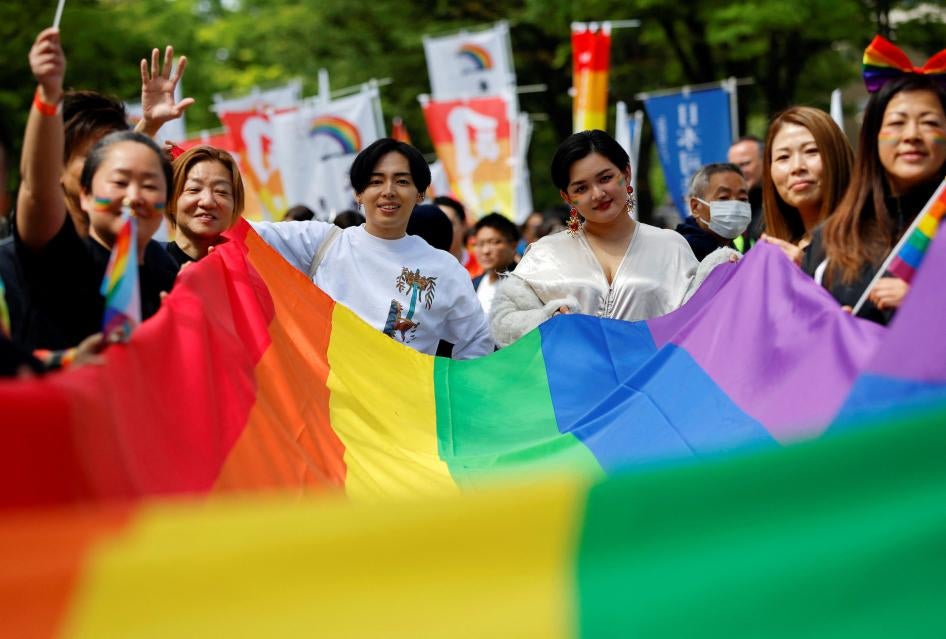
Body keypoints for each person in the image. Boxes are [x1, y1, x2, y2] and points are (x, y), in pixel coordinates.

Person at [251, 138, 492, 359]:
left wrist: (453, 393)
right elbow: (242, 233)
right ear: (358, 193)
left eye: (402, 181)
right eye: (376, 181)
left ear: (419, 193)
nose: (388, 191)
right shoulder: (323, 243)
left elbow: (478, 340)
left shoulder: (443, 269)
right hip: (330, 402)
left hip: (405, 404)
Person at [14, 28, 178, 350]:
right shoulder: (57, 256)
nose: (134, 197)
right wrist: (48, 96)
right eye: (118, 181)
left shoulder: (161, 263)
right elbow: (39, 188)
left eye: (149, 185)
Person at [491, 130, 732, 348]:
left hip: (650, 387)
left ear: (626, 174)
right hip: (569, 391)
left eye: (605, 178)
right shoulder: (545, 253)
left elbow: (699, 320)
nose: (598, 194)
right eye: (581, 188)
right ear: (567, 197)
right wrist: (547, 320)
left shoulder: (671, 246)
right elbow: (504, 323)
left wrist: (721, 273)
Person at [802, 40, 946, 325]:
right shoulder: (830, 239)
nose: (912, 135)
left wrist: (926, 308)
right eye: (897, 122)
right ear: (873, 136)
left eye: (930, 122)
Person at [760, 107, 854, 263]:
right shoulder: (775, 255)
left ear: (838, 157)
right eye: (783, 157)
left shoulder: (873, 240)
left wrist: (806, 274)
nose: (797, 167)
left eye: (811, 151)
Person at [165, 145, 245, 265]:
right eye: (194, 189)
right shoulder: (145, 265)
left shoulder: (253, 271)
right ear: (170, 199)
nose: (207, 202)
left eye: (221, 191)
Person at [676, 163, 751, 260]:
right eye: (724, 197)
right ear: (695, 207)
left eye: (742, 198)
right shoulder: (682, 253)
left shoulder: (731, 250)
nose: (735, 206)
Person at [471, 213, 519, 314]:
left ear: (513, 246)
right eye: (480, 244)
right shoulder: (472, 284)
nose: (485, 251)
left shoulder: (522, 283)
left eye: (494, 242)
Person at [727, 135, 765, 243]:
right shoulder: (732, 208)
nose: (738, 171)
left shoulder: (783, 203)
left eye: (744, 164)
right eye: (733, 166)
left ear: (765, 161)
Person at [433, 195, 481, 277]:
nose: (443, 230)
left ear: (464, 225)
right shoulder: (420, 268)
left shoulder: (482, 267)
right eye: (437, 224)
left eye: (449, 223)